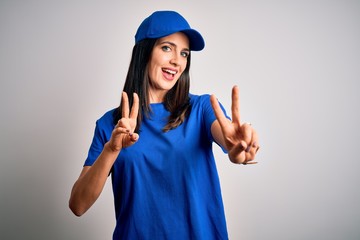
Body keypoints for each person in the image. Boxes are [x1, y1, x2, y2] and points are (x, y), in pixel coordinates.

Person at [69, 10, 260, 240]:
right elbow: (78, 205)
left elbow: (227, 137)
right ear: (145, 52)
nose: (177, 61)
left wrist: (237, 144)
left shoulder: (200, 109)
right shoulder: (110, 125)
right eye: (167, 48)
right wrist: (111, 149)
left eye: (184, 53)